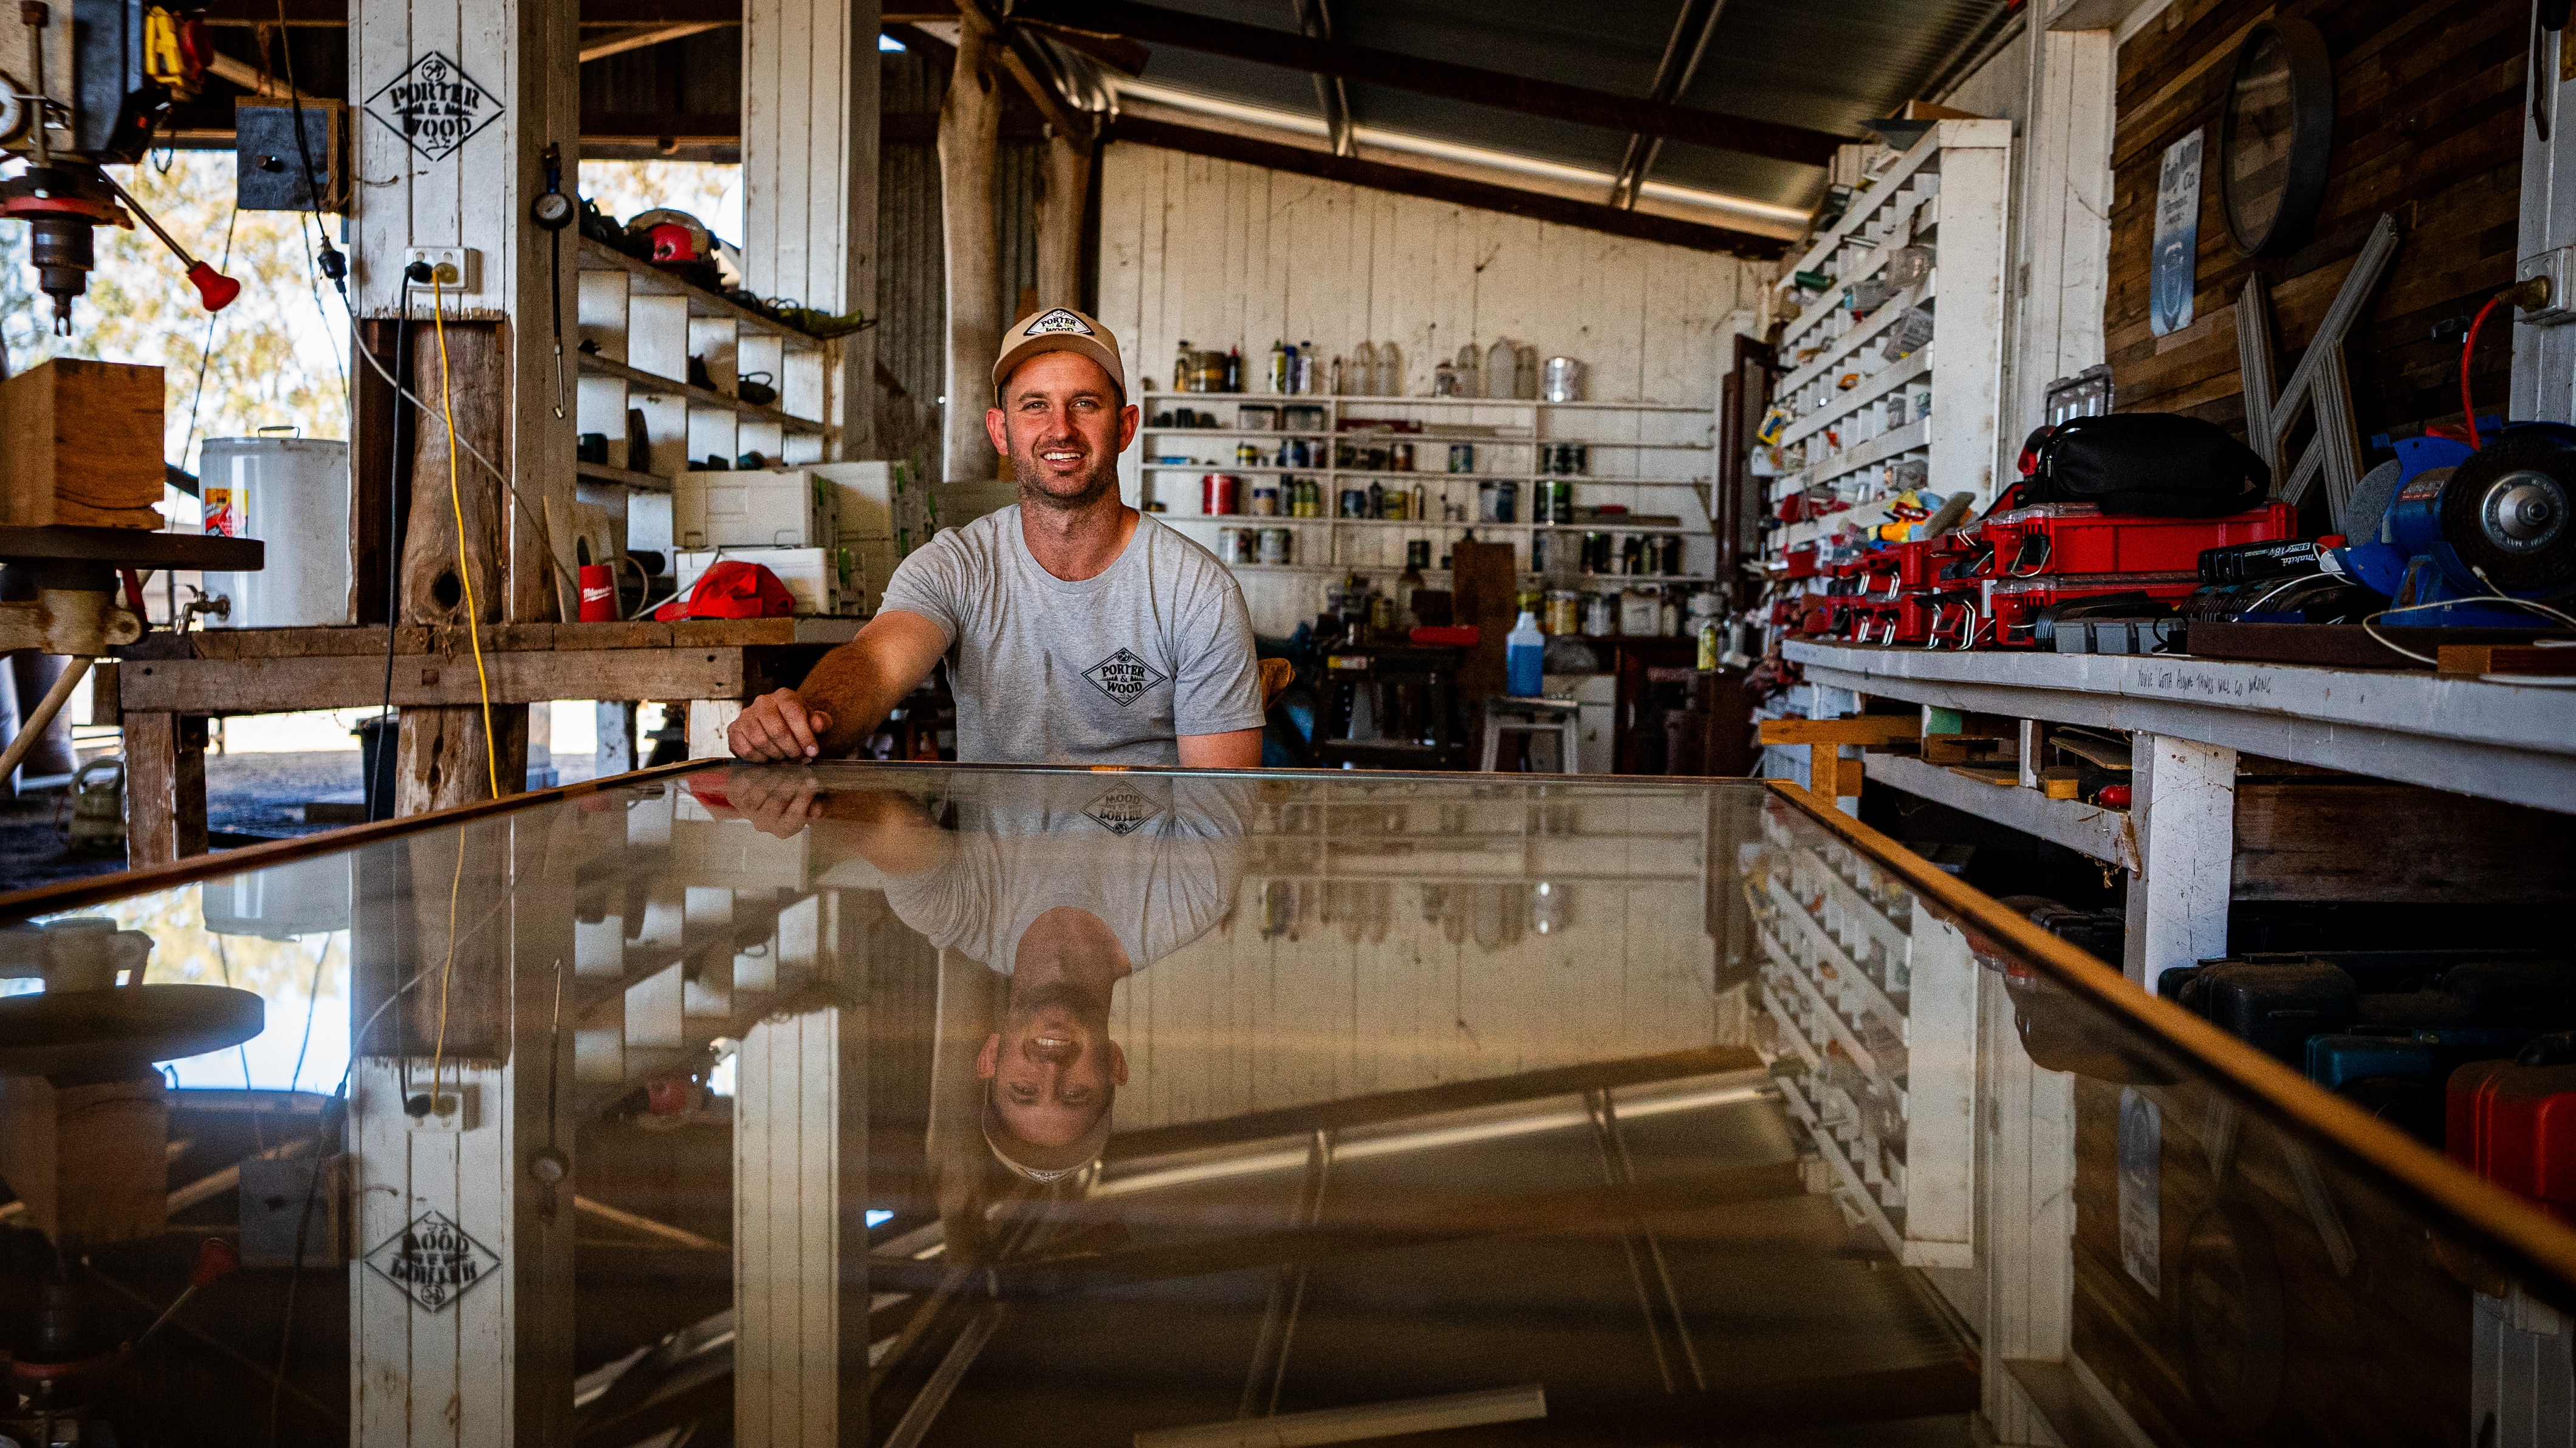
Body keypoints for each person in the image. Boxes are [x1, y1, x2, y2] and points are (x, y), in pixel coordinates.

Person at [726, 306, 1265, 767]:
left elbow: (1217, 812)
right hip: (995, 877)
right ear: (1000, 432)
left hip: (1141, 880)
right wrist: (805, 717)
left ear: (1124, 427)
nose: (1060, 429)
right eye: (1035, 405)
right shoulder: (956, 566)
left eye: (1085, 404)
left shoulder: (1197, 592)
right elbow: (874, 661)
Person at [707, 766, 1249, 1184]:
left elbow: (898, 834)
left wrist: (805, 799)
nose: (1050, 1069)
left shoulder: (951, 912)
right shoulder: (1192, 898)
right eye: (1076, 1095)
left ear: (990, 1057)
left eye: (1023, 1089)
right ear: (1115, 1065)